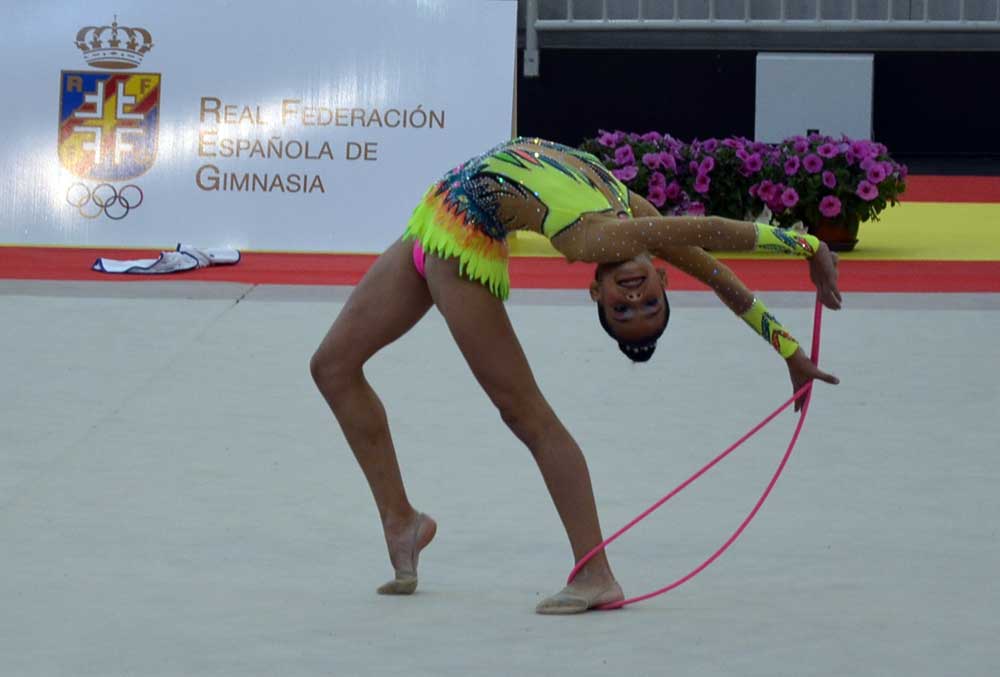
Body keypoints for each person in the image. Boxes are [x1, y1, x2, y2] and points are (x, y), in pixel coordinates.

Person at [310, 137, 841, 614]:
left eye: (624, 311)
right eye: (645, 304)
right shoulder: (630, 210)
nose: (633, 300)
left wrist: (806, 262)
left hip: (462, 253)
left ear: (597, 295)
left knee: (525, 413)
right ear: (662, 276)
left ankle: (596, 573)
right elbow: (715, 261)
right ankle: (402, 521)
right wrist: (790, 336)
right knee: (332, 367)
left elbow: (712, 239)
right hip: (431, 221)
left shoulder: (589, 242)